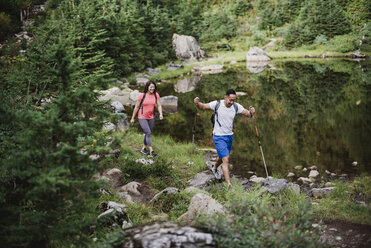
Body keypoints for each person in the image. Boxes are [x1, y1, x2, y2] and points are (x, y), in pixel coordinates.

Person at [194, 89, 255, 186]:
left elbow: (248, 114)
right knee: (226, 159)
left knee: (222, 156)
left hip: (229, 136)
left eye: (234, 100)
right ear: (225, 97)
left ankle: (214, 168)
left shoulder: (236, 106)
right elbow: (203, 107)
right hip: (218, 136)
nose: (232, 102)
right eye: (230, 100)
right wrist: (197, 103)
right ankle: (228, 185)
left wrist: (251, 112)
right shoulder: (217, 104)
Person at [131, 81, 163, 157]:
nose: (152, 88)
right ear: (147, 87)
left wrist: (161, 114)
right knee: (148, 132)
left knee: (147, 133)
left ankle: (143, 149)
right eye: (151, 87)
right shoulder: (142, 95)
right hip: (142, 117)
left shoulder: (156, 95)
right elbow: (136, 107)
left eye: (153, 87)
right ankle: (151, 151)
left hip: (151, 117)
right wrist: (132, 118)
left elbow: (159, 105)